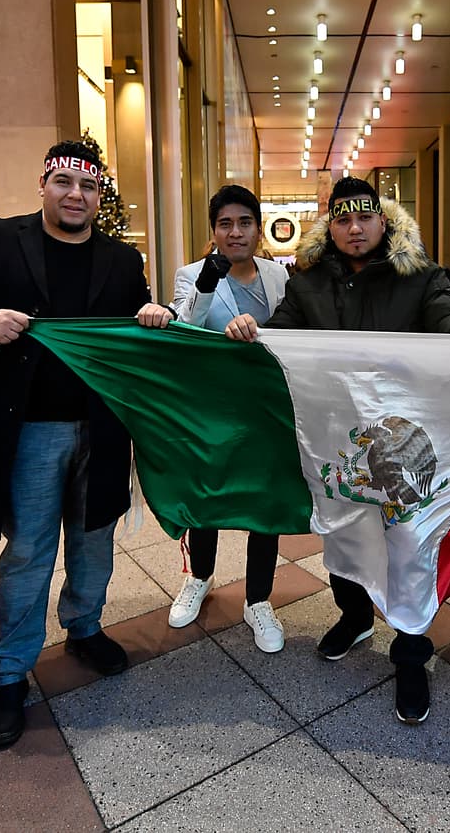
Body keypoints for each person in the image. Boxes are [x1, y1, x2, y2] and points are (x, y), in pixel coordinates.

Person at [225, 176, 450, 724]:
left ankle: (410, 654)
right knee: (341, 526)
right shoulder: (306, 281)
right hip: (338, 437)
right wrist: (250, 329)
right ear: (329, 226)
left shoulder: (421, 276)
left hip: (403, 438)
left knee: (408, 542)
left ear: (384, 221)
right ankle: (353, 615)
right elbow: (279, 336)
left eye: (365, 218)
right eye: (342, 219)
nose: (355, 229)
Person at [0, 140, 163, 750]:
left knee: (94, 541)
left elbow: (138, 320)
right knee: (28, 551)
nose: (76, 194)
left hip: (101, 427)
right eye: (64, 182)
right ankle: (10, 674)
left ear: (100, 196)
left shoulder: (122, 260)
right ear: (44, 184)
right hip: (28, 430)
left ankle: (84, 627)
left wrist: (156, 311)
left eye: (88, 186)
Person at [165, 184, 290, 652]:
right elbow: (182, 326)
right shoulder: (192, 273)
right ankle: (198, 577)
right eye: (225, 223)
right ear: (213, 230)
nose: (235, 232)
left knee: (265, 502)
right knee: (208, 495)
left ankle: (258, 600)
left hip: (267, 410)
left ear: (259, 228)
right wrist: (206, 285)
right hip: (213, 408)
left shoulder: (279, 276)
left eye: (244, 222)